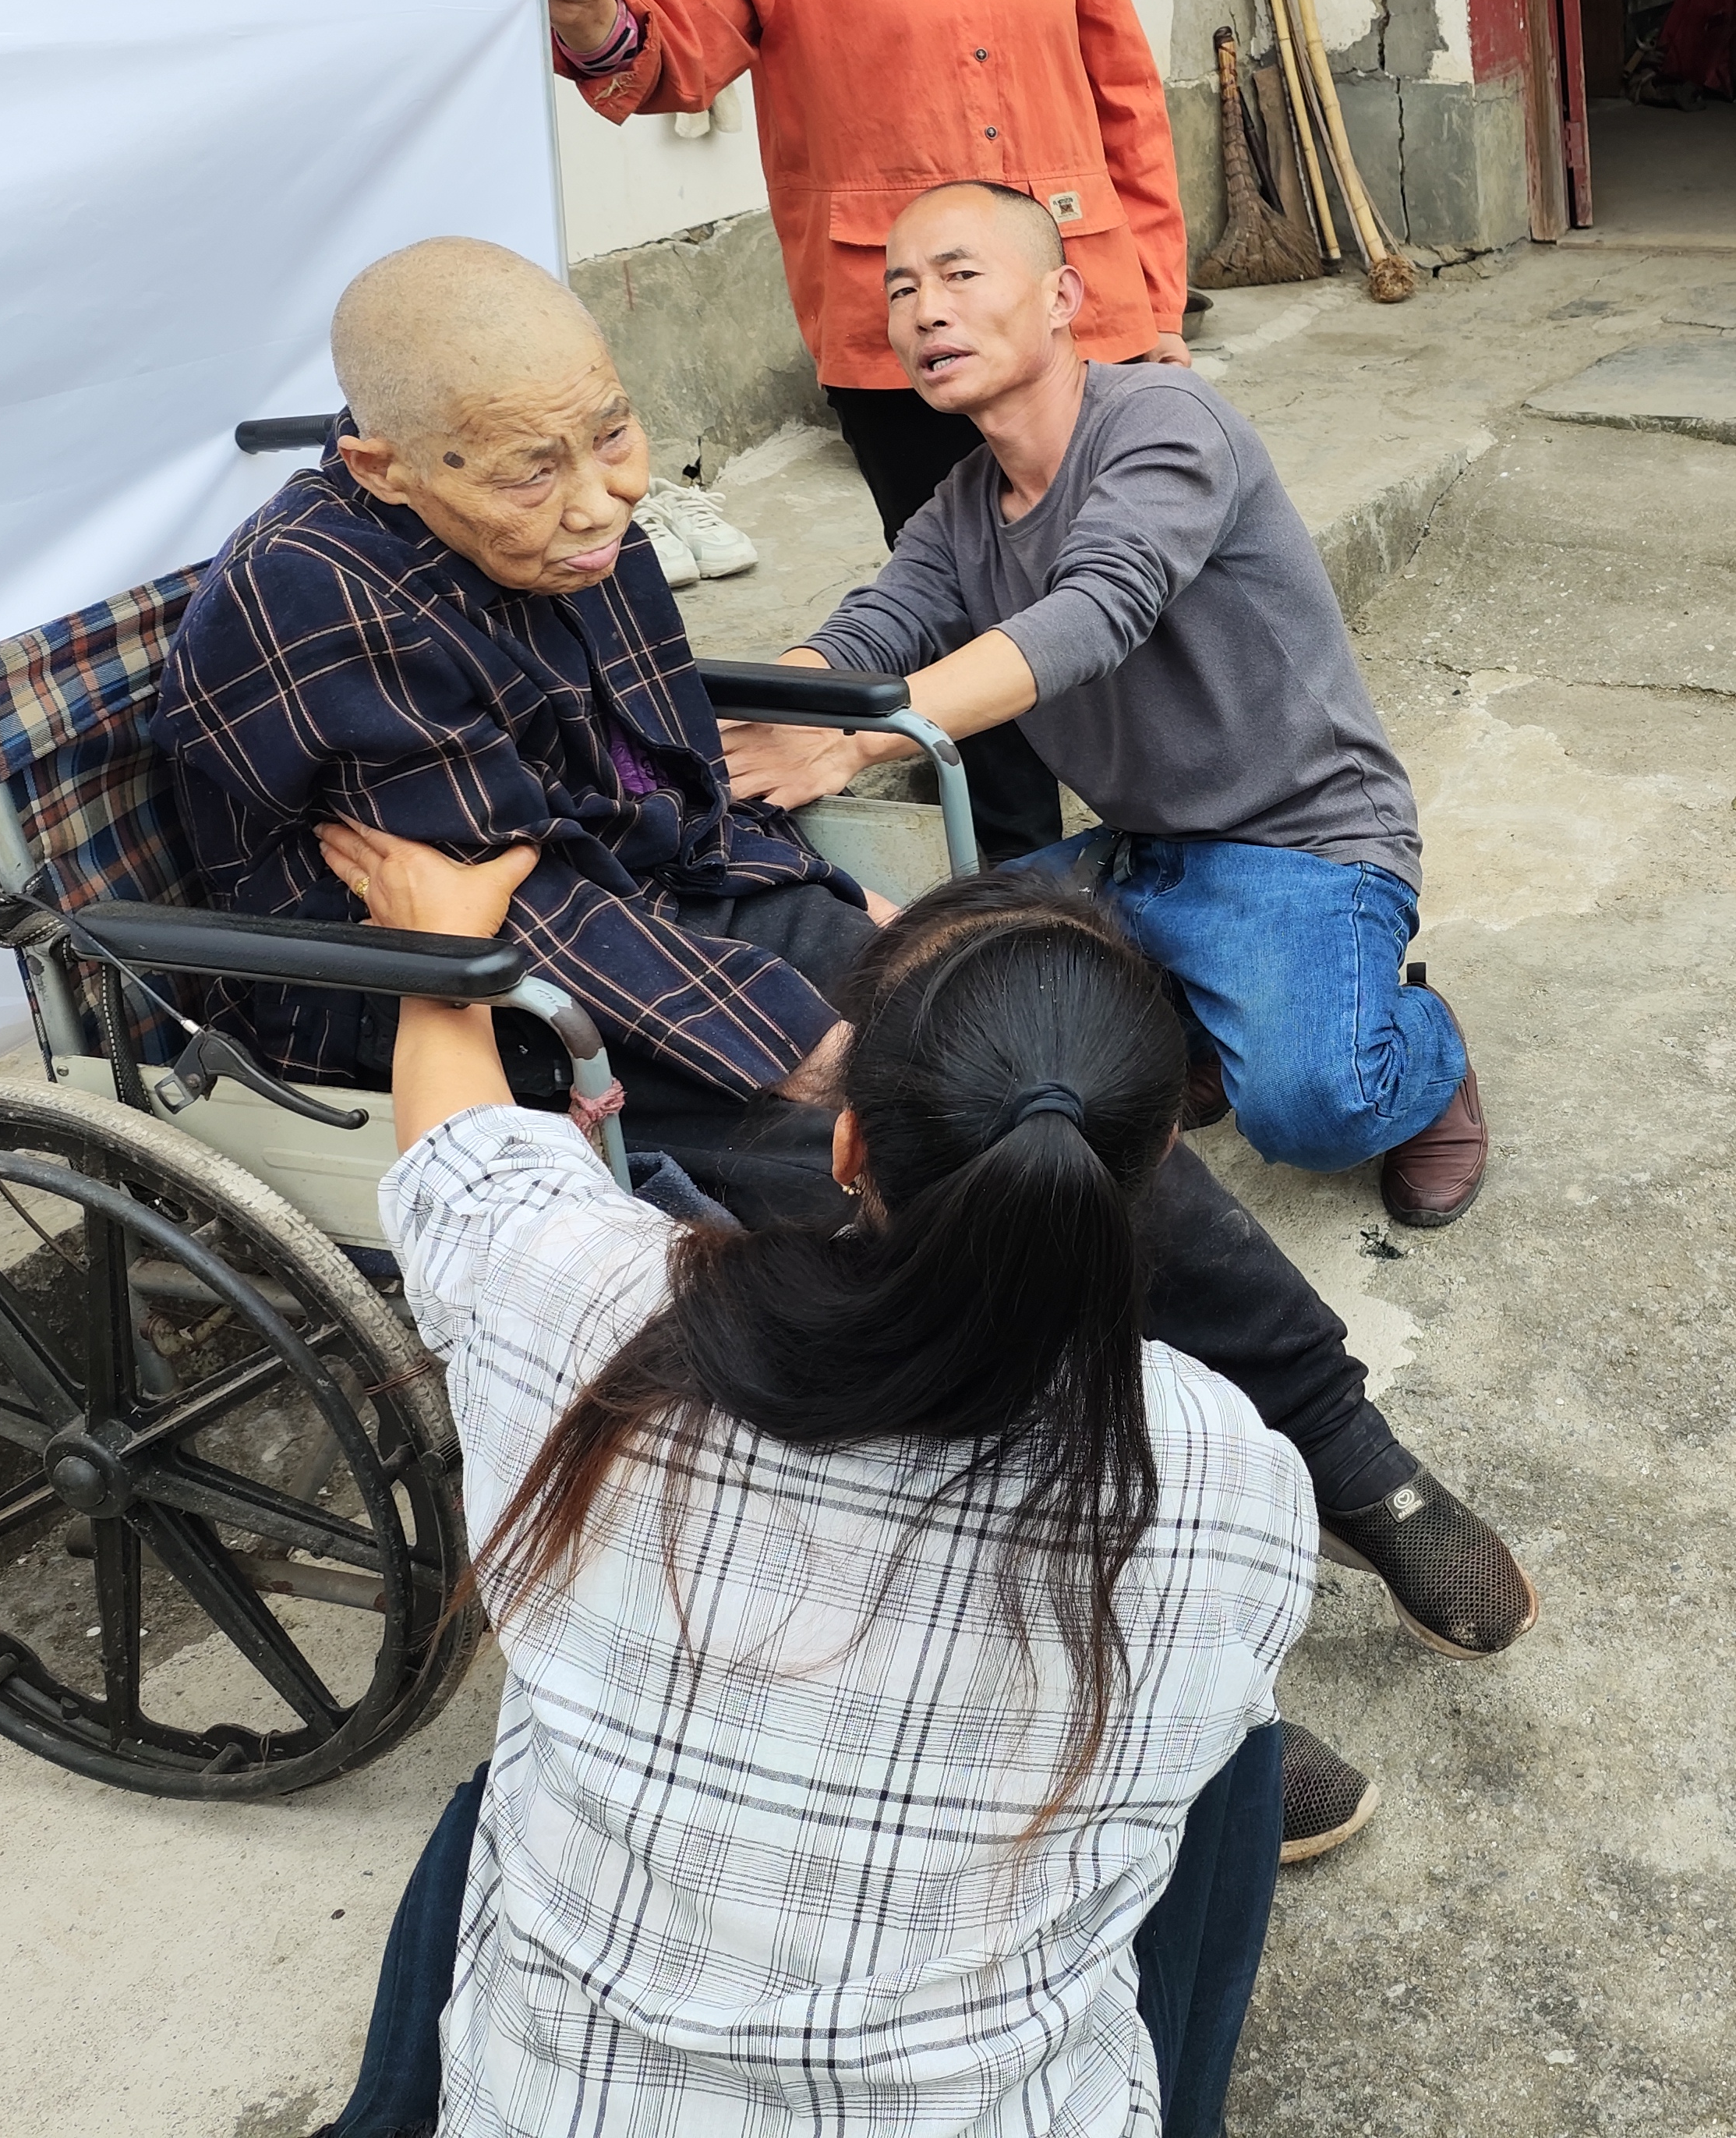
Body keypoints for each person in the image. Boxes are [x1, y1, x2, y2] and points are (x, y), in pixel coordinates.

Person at [156, 239, 1533, 1763]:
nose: (604, 499)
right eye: (537, 469)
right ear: (387, 464)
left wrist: (849, 916)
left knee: (1043, 1081)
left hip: (664, 916)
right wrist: (793, 1024)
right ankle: (1154, 1699)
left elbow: (657, 778)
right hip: (467, 990)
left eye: (616, 434)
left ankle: (1344, 1447)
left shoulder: (580, 519)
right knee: (910, 1229)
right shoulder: (312, 604)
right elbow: (499, 898)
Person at [316, 838, 1303, 2138]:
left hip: (555, 2108)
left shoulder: (594, 1300)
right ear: (1155, 1154)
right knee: (1236, 1750)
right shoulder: (1225, 1468)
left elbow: (465, 1163)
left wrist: (443, 957)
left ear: (846, 1140)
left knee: (487, 1810)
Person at [536, 0, 1192, 865]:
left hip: (1083, 308)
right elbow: (677, 34)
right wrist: (592, 8)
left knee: (1133, 605)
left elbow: (1126, 94)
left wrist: (1158, 300)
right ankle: (1020, 890)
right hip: (909, 343)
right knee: (964, 606)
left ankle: (1176, 857)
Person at [720, 180, 1491, 1233]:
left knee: (1314, 1110)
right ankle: (1200, 1019)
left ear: (1059, 296)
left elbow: (1094, 613)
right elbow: (874, 626)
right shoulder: (960, 508)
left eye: (958, 275)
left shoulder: (1164, 423)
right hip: (1135, 855)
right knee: (929, 989)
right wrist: (761, 714)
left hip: (1304, 845)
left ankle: (1423, 1053)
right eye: (901, 289)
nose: (925, 311)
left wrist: (852, 745)